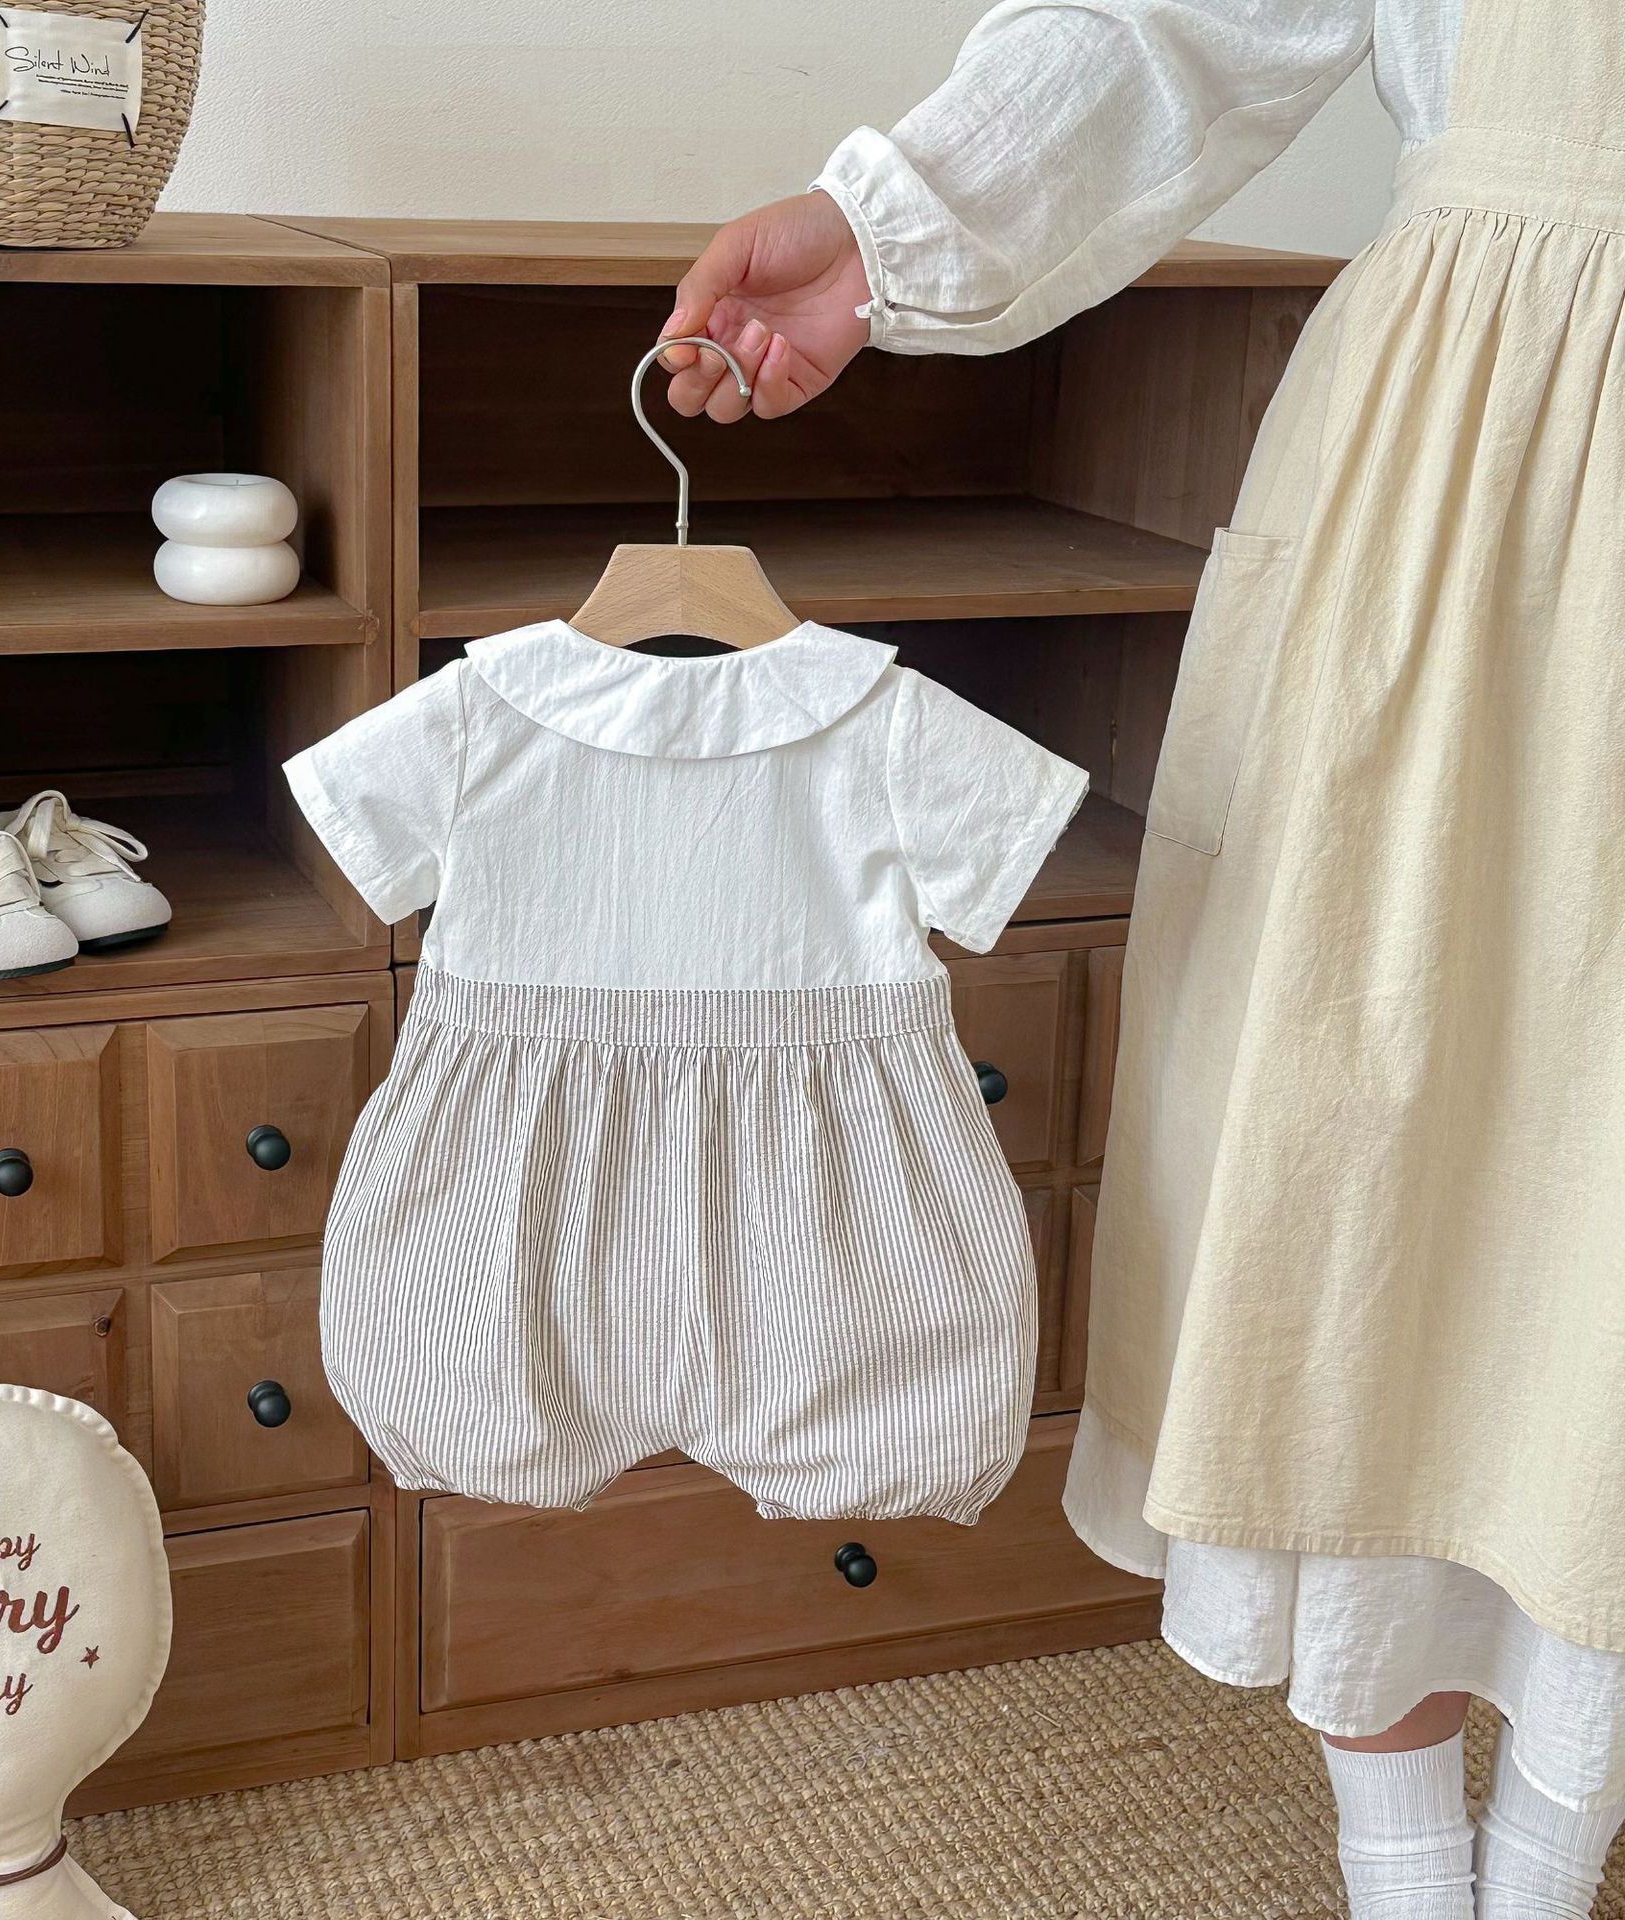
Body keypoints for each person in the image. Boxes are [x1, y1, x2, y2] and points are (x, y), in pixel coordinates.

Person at [659, 5, 1625, 1916]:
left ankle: (1543, 1862)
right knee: (1354, 1159)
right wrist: (887, 226)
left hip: (1471, 419)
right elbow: (1179, 25)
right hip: (1468, 457)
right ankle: (1413, 1873)